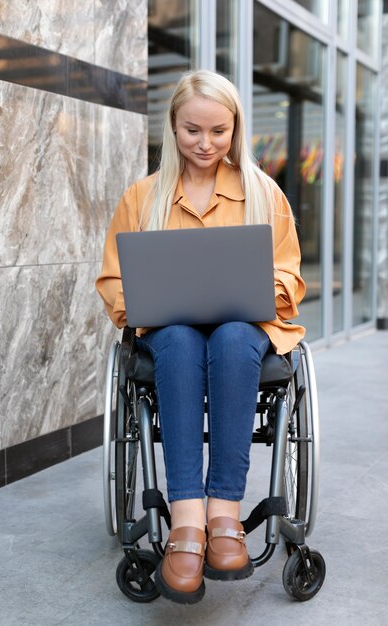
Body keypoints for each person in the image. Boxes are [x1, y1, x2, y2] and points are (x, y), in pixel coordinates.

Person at [96, 70, 306, 604]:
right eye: (193, 131)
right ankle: (187, 516)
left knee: (233, 337)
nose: (206, 143)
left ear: (235, 128)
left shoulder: (265, 194)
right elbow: (114, 279)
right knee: (183, 338)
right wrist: (139, 302)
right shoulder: (143, 198)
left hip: (246, 331)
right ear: (173, 126)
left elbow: (290, 276)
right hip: (172, 334)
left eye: (219, 131)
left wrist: (255, 287)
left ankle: (224, 513)